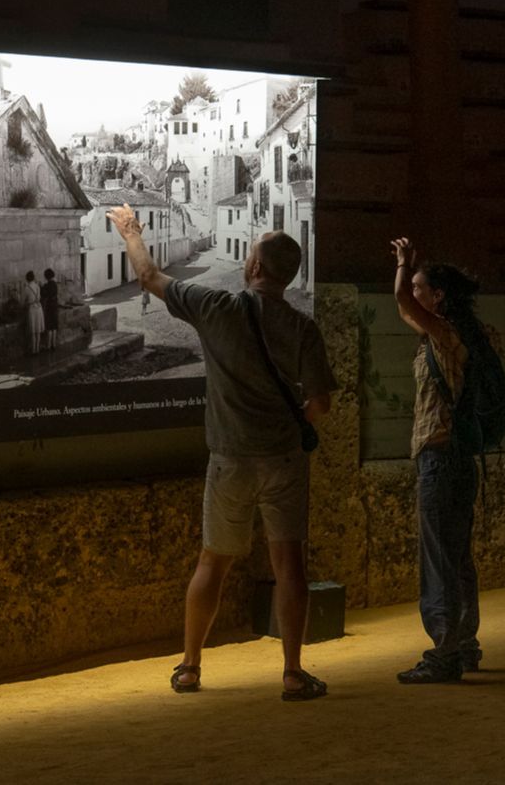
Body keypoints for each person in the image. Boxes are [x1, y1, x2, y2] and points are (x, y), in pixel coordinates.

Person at [106, 203, 336, 702]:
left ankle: (190, 667)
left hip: (230, 457)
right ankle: (293, 673)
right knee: (290, 565)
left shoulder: (216, 308)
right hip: (284, 460)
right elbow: (319, 403)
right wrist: (287, 425)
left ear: (252, 268)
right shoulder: (304, 329)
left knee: (212, 562)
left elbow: (147, 275)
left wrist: (130, 231)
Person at [389, 236, 486, 684]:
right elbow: (407, 307)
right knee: (456, 553)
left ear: (439, 297)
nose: (416, 291)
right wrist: (409, 272)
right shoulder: (459, 334)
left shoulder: (446, 335)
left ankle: (444, 650)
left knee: (438, 559)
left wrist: (404, 265)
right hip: (460, 457)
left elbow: (401, 301)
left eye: (423, 287)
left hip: (440, 456)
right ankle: (464, 642)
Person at [22, 270, 42, 356]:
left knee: (33, 331)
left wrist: (27, 303)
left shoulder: (26, 288)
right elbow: (39, 297)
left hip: (32, 310)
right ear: (33, 278)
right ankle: (38, 349)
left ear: (27, 279)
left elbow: (22, 301)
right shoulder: (37, 286)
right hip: (39, 308)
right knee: (38, 331)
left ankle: (33, 351)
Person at [40, 268, 60, 351]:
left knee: (49, 327)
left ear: (46, 277)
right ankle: (54, 344)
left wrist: (41, 286)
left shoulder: (46, 286)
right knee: (54, 326)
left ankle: (48, 345)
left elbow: (43, 294)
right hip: (55, 306)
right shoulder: (55, 285)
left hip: (49, 307)